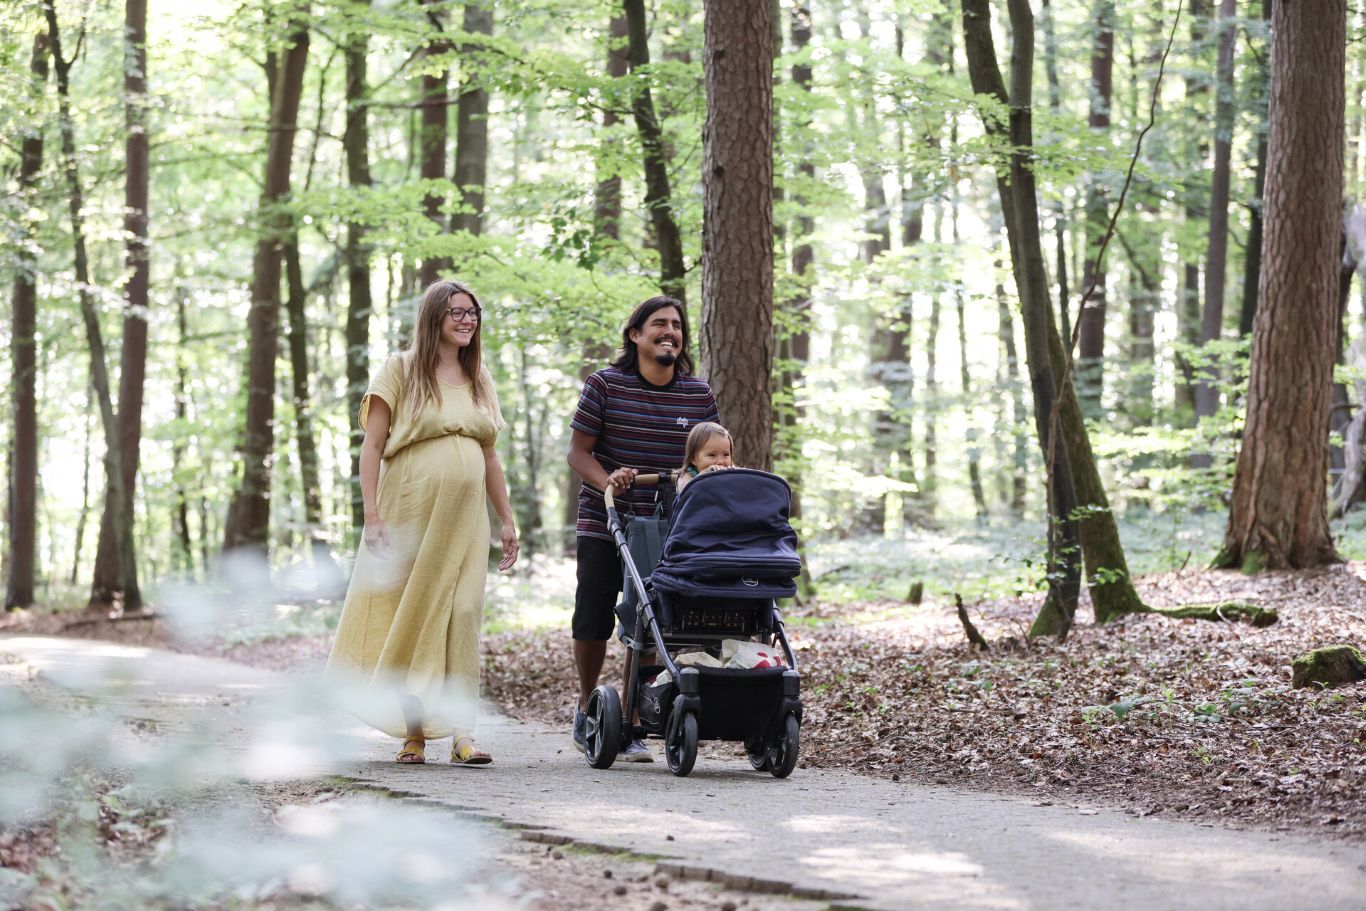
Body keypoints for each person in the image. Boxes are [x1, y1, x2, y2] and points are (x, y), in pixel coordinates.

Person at [326, 279, 518, 766]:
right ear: (434, 317)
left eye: (473, 312)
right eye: (457, 312)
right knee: (415, 614)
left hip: (466, 520)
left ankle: (462, 734)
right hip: (409, 510)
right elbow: (372, 445)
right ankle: (415, 734)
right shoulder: (400, 369)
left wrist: (507, 520)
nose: (468, 320)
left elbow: (490, 456)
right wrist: (372, 515)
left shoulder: (480, 377)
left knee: (463, 613)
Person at [567, 295, 720, 761]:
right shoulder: (605, 385)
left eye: (677, 324)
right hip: (606, 518)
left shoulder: (698, 395)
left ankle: (633, 715)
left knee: (652, 614)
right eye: (659, 323)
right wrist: (609, 482)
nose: (670, 331)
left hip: (668, 523)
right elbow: (578, 453)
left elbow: (708, 457)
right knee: (593, 615)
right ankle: (588, 706)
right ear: (636, 335)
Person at [675, 421, 734, 493]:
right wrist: (704, 474)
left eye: (726, 455)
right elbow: (686, 492)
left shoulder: (731, 472)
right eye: (712, 455)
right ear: (694, 458)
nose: (720, 462)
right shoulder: (687, 475)